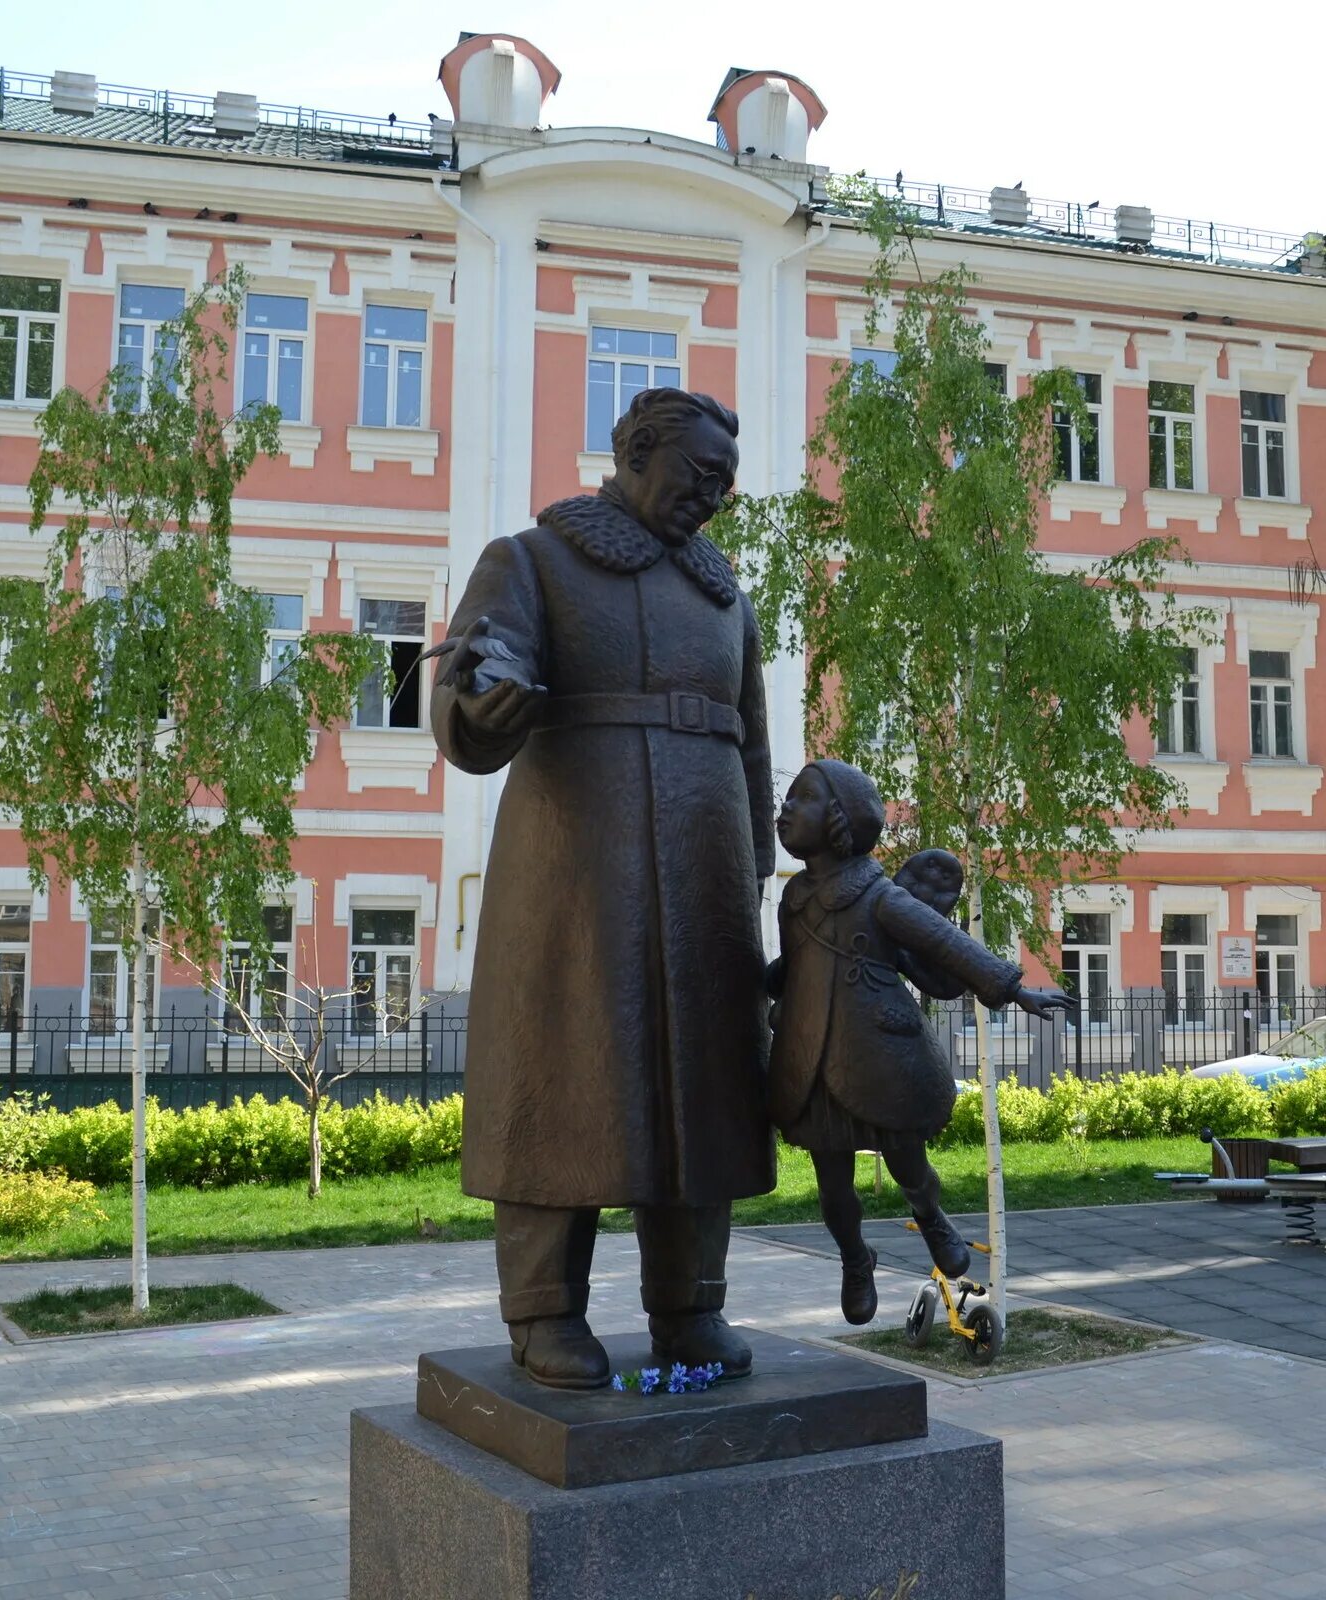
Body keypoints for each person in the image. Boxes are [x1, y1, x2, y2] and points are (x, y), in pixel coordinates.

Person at [431, 388, 774, 1391]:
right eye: (696, 475)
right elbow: (470, 673)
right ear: (634, 453)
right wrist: (488, 697)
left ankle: (690, 1308)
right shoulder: (533, 561)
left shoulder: (725, 599)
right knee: (566, 1081)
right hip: (580, 871)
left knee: (701, 1093)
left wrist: (752, 865)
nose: (709, 498)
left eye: (723, 485)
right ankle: (543, 1314)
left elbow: (750, 742)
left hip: (704, 871)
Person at [765, 760, 1074, 1325]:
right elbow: (797, 966)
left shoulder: (878, 895)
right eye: (788, 799)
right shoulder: (795, 901)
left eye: (802, 799)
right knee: (833, 1190)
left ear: (838, 822)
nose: (785, 809)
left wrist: (1013, 988)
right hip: (811, 1057)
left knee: (908, 1163)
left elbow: (946, 943)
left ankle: (933, 1218)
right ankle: (855, 1259)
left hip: (875, 1058)